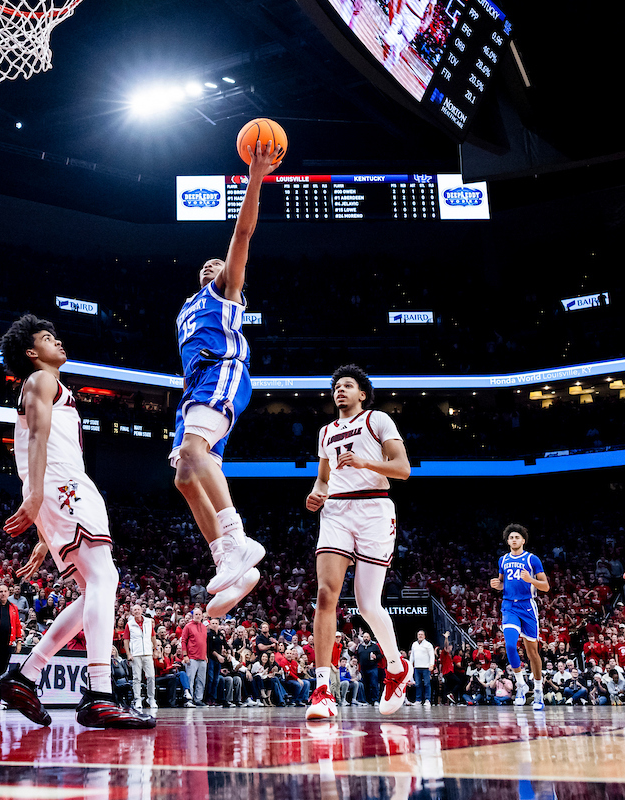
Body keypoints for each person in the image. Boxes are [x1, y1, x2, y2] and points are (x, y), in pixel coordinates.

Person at [0, 314, 152, 729]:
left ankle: (24, 676)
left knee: (91, 591)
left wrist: (45, 530)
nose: (59, 342)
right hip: (63, 484)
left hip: (58, 488)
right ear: (32, 353)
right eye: (49, 338)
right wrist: (37, 496)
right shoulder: (41, 380)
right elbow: (38, 438)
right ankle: (99, 694)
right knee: (105, 580)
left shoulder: (48, 385)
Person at [169, 139, 283, 619]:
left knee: (195, 454)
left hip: (223, 371)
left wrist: (255, 177)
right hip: (195, 388)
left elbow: (242, 233)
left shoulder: (225, 293)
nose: (212, 265)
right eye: (208, 265)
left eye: (221, 265)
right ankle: (231, 566)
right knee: (183, 476)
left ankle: (237, 540)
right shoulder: (183, 310)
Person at [304, 365, 412, 720]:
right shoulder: (325, 432)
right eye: (336, 386)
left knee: (368, 605)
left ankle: (396, 668)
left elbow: (403, 468)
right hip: (336, 510)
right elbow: (323, 480)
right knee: (325, 595)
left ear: (362, 394)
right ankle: (322, 690)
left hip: (375, 507)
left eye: (347, 385)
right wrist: (316, 494)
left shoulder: (377, 420)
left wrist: (365, 461)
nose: (340, 390)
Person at [490, 523, 549, 711]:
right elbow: (502, 584)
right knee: (509, 645)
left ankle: (538, 690)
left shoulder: (532, 559)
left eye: (517, 537)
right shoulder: (503, 560)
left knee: (532, 653)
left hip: (528, 606)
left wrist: (531, 580)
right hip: (509, 606)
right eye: (511, 537)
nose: (514, 540)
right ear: (507, 541)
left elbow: (545, 586)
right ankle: (521, 685)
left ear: (523, 540)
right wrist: (496, 585)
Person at [127, 604, 157, 710]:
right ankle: (137, 699)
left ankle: (151, 698)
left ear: (141, 611)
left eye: (138, 609)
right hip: (136, 654)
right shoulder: (129, 624)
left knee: (151, 677)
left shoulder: (148, 621)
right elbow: (126, 640)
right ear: (132, 612)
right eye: (134, 610)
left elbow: (153, 636)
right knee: (136, 678)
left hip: (148, 652)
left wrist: (155, 649)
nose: (137, 611)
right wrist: (128, 653)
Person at [409, 630, 435, 706]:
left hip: (426, 667)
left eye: (421, 634)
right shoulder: (414, 644)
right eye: (419, 634)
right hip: (417, 667)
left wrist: (431, 664)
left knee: (427, 684)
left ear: (424, 636)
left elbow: (431, 655)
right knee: (418, 684)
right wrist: (410, 665)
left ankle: (427, 700)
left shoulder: (428, 644)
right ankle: (418, 700)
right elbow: (412, 656)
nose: (420, 636)